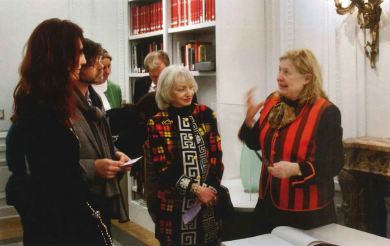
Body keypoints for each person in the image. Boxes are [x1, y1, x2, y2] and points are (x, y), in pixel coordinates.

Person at [5, 18, 109, 245]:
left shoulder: (46, 103)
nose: (83, 60)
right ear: (59, 57)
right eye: (79, 52)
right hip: (57, 229)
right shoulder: (41, 110)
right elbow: (50, 183)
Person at [238, 48, 344, 235]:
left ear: (307, 78)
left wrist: (296, 169)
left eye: (287, 72)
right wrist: (249, 121)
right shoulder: (273, 101)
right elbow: (255, 143)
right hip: (267, 206)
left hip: (307, 214)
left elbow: (334, 164)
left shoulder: (325, 112)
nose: (279, 77)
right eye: (279, 70)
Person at [146, 65, 224, 245]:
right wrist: (197, 190)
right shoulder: (157, 122)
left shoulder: (205, 114)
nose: (188, 93)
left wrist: (210, 189)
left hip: (207, 204)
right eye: (181, 89)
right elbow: (163, 170)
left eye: (190, 87)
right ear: (167, 91)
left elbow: (216, 156)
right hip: (173, 207)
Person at [72, 38, 131, 232]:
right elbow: (49, 160)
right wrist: (93, 167)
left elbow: (101, 139)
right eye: (94, 60)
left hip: (101, 193)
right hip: (78, 195)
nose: (101, 66)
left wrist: (115, 153)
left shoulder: (93, 99)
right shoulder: (60, 105)